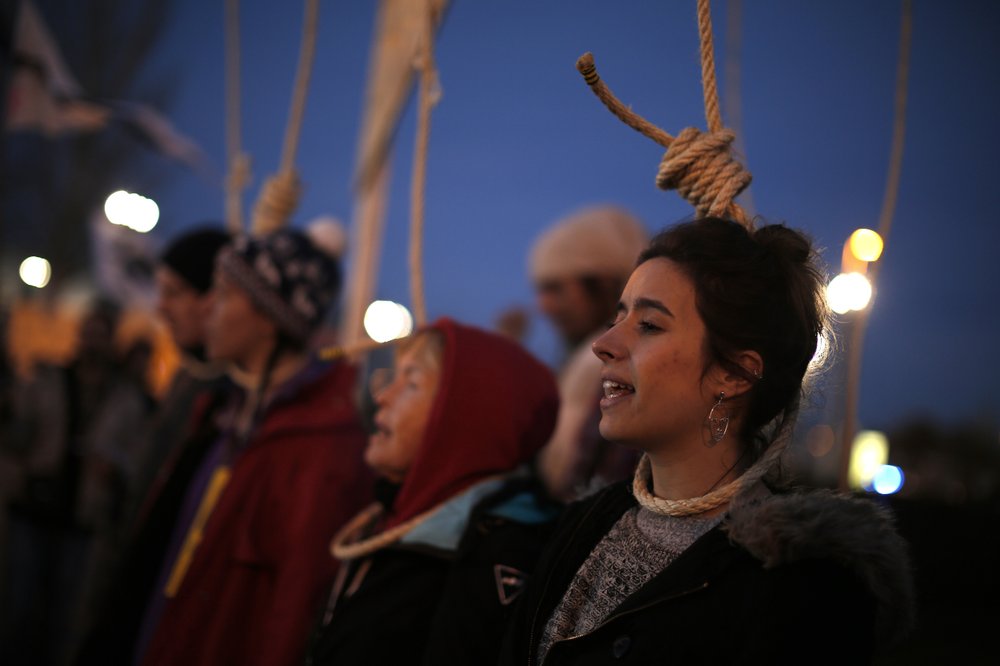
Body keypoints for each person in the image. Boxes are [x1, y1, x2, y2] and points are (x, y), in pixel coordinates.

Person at [500, 219, 914, 665]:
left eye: (650, 325)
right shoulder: (584, 523)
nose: (604, 343)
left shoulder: (801, 586)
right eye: (618, 317)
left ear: (733, 374)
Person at [135, 230, 372, 666]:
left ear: (268, 318)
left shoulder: (321, 450)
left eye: (224, 296)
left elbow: (291, 613)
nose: (210, 311)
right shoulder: (230, 414)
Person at [305, 318, 561, 666]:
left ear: (462, 418)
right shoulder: (391, 517)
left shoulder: (489, 563)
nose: (382, 396)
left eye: (410, 383)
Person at [74, 227, 232, 665]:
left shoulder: (225, 402)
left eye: (175, 292)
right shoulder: (189, 378)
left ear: (213, 298)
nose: (160, 307)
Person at [529, 205, 649, 500]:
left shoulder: (616, 363)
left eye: (556, 288)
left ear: (604, 286)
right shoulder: (579, 361)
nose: (543, 306)